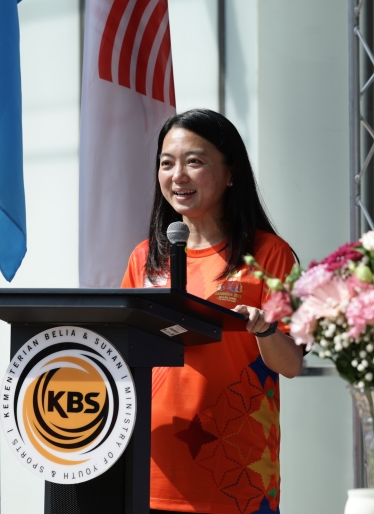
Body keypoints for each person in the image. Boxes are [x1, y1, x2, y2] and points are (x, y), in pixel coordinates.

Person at [120, 109, 303, 514]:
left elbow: (291, 364)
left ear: (230, 173)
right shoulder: (145, 258)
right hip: (148, 470)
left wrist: (266, 331)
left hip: (236, 473)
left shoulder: (269, 254)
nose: (177, 175)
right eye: (166, 163)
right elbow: (120, 354)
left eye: (194, 161)